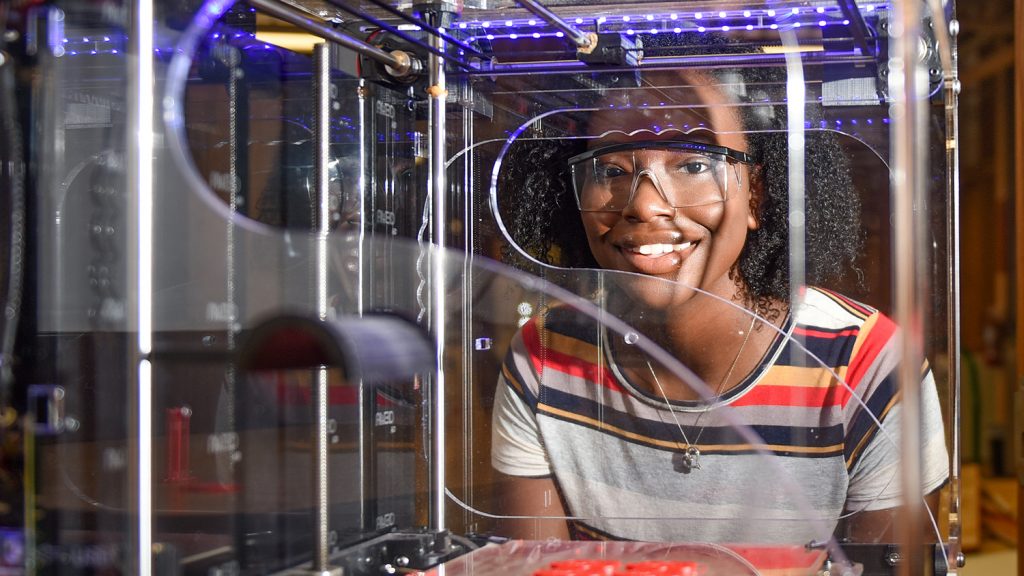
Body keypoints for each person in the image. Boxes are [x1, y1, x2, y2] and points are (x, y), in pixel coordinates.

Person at [489, 34, 949, 546]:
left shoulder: (867, 366)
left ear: (756, 194)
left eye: (692, 165)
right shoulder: (544, 355)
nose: (643, 206)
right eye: (610, 171)